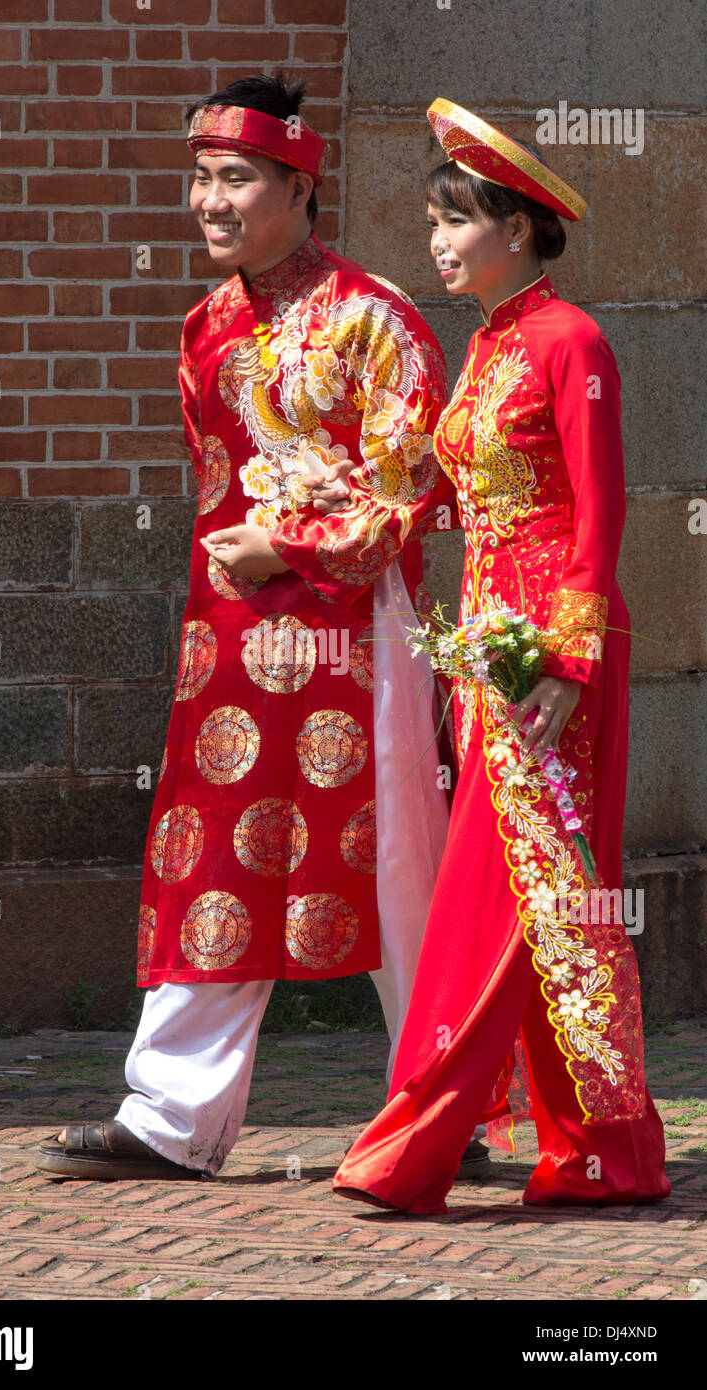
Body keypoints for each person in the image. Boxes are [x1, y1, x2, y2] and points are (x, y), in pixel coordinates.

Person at [35, 74, 472, 1184]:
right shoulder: (206, 326)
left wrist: (295, 550)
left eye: (234, 178)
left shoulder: (377, 321)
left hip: (357, 635)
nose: (209, 201)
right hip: (231, 647)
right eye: (201, 177)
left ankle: (446, 1106)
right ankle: (173, 1117)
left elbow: (415, 493)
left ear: (300, 187)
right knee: (211, 857)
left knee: (401, 873)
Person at [332, 99, 670, 1214]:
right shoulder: (484, 348)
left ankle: (419, 1140)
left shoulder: (573, 341)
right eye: (434, 218)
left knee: (514, 895)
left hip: (547, 659)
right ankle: (600, 1150)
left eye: (457, 218)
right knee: (543, 901)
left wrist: (564, 667)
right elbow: (450, 496)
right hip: (488, 651)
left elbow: (602, 514)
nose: (437, 239)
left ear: (516, 230)